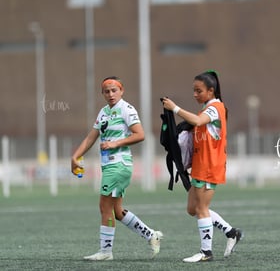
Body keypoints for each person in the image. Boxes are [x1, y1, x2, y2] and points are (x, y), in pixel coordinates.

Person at [71, 76, 163, 261]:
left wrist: (116, 143)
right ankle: (151, 235)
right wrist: (75, 156)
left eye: (114, 90)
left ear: (121, 91)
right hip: (109, 166)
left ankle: (106, 252)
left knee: (104, 207)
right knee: (117, 211)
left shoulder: (126, 109)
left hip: (119, 164)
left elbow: (140, 134)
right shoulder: (104, 112)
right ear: (102, 93)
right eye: (107, 91)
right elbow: (91, 137)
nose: (111, 94)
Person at [161, 70, 243, 263]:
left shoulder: (215, 107)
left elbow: (198, 121)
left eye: (199, 91)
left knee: (201, 208)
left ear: (211, 91)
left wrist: (175, 108)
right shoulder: (207, 107)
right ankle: (232, 232)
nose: (195, 94)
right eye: (194, 90)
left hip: (210, 165)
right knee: (193, 209)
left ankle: (206, 252)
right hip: (199, 165)